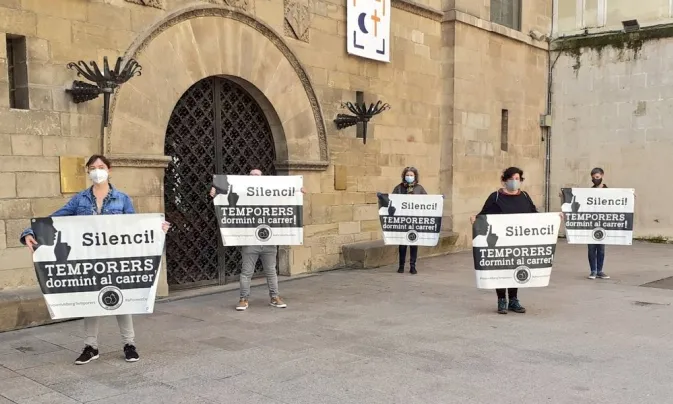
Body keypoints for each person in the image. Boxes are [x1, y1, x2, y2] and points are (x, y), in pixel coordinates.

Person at [20, 155, 170, 365]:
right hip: (90, 259)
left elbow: (135, 226)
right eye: (93, 168)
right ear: (88, 172)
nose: (97, 171)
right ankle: (91, 347)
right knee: (90, 300)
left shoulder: (122, 199)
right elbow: (55, 218)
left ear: (109, 169)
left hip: (116, 258)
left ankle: (129, 344)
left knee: (122, 299)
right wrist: (29, 232)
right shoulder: (80, 199)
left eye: (101, 167)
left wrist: (157, 228)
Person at [209, 169, 305, 311]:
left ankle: (275, 297)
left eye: (257, 175)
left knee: (271, 271)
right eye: (252, 175)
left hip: (269, 240)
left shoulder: (270, 192)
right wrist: (215, 192)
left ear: (263, 178)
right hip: (250, 241)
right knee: (246, 272)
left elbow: (285, 195)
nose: (254, 177)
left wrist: (297, 191)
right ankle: (243, 299)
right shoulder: (242, 191)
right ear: (248, 177)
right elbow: (226, 193)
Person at [470, 167, 538, 314]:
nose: (515, 182)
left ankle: (513, 299)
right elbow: (483, 215)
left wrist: (553, 218)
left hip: (518, 241)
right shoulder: (495, 197)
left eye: (517, 179)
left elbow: (535, 215)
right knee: (501, 268)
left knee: (516, 268)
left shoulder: (524, 196)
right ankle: (501, 300)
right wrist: (475, 219)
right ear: (504, 180)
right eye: (512, 179)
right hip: (499, 241)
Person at [392, 167, 427, 275]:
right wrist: (381, 197)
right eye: (408, 175)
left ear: (415, 176)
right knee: (402, 244)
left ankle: (413, 266)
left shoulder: (419, 188)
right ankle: (401, 265)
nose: (409, 177)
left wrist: (440, 199)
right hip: (403, 219)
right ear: (404, 176)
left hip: (414, 219)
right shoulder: (398, 188)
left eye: (411, 175)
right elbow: (391, 199)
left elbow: (428, 200)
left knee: (413, 242)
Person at [587, 167, 609, 280]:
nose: (595, 180)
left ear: (602, 176)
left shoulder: (609, 192)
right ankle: (593, 270)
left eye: (597, 177)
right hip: (591, 223)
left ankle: (599, 270)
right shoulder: (589, 192)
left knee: (601, 248)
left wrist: (630, 197)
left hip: (603, 223)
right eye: (593, 178)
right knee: (591, 248)